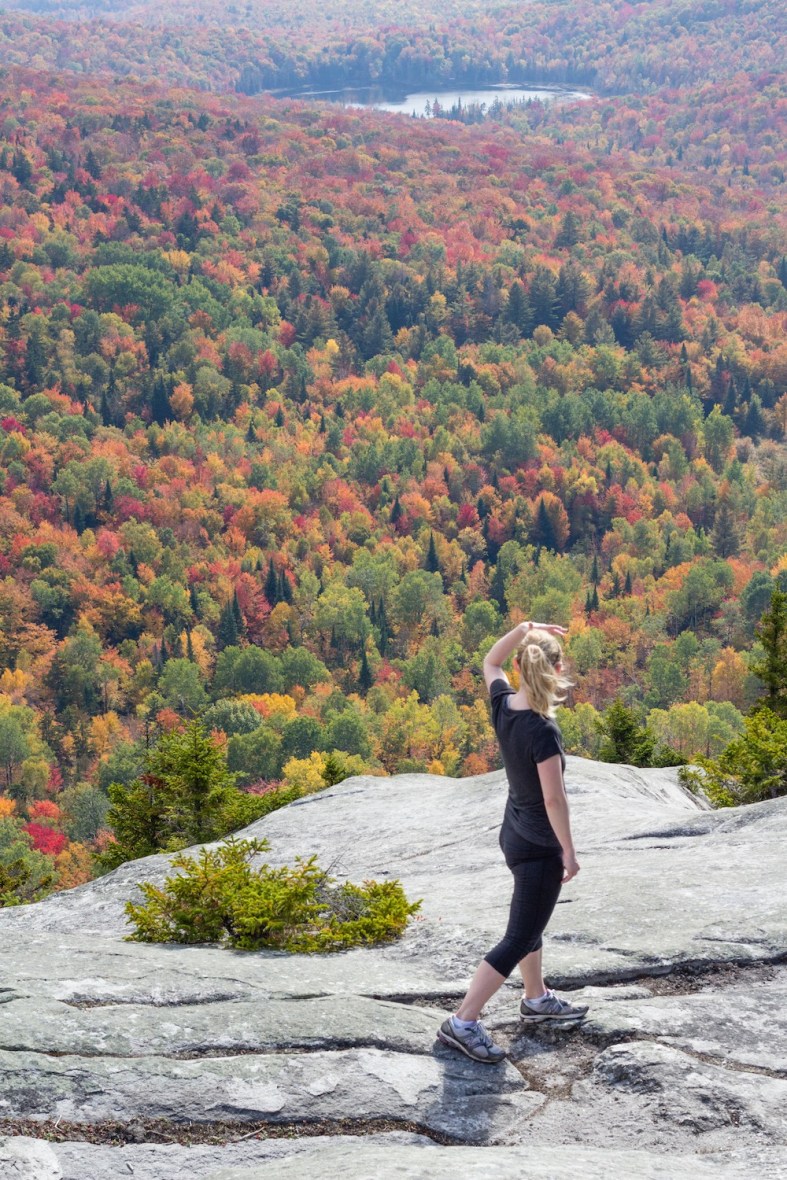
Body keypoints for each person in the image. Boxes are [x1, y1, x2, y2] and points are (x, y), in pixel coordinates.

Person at [437, 620, 588, 1064]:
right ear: (556, 670)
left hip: (513, 833)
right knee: (520, 935)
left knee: (530, 924)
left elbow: (489, 660)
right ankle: (463, 1020)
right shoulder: (543, 731)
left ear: (521, 665)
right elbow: (554, 798)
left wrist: (523, 628)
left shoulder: (503, 706)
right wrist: (569, 852)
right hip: (539, 848)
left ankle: (536, 998)